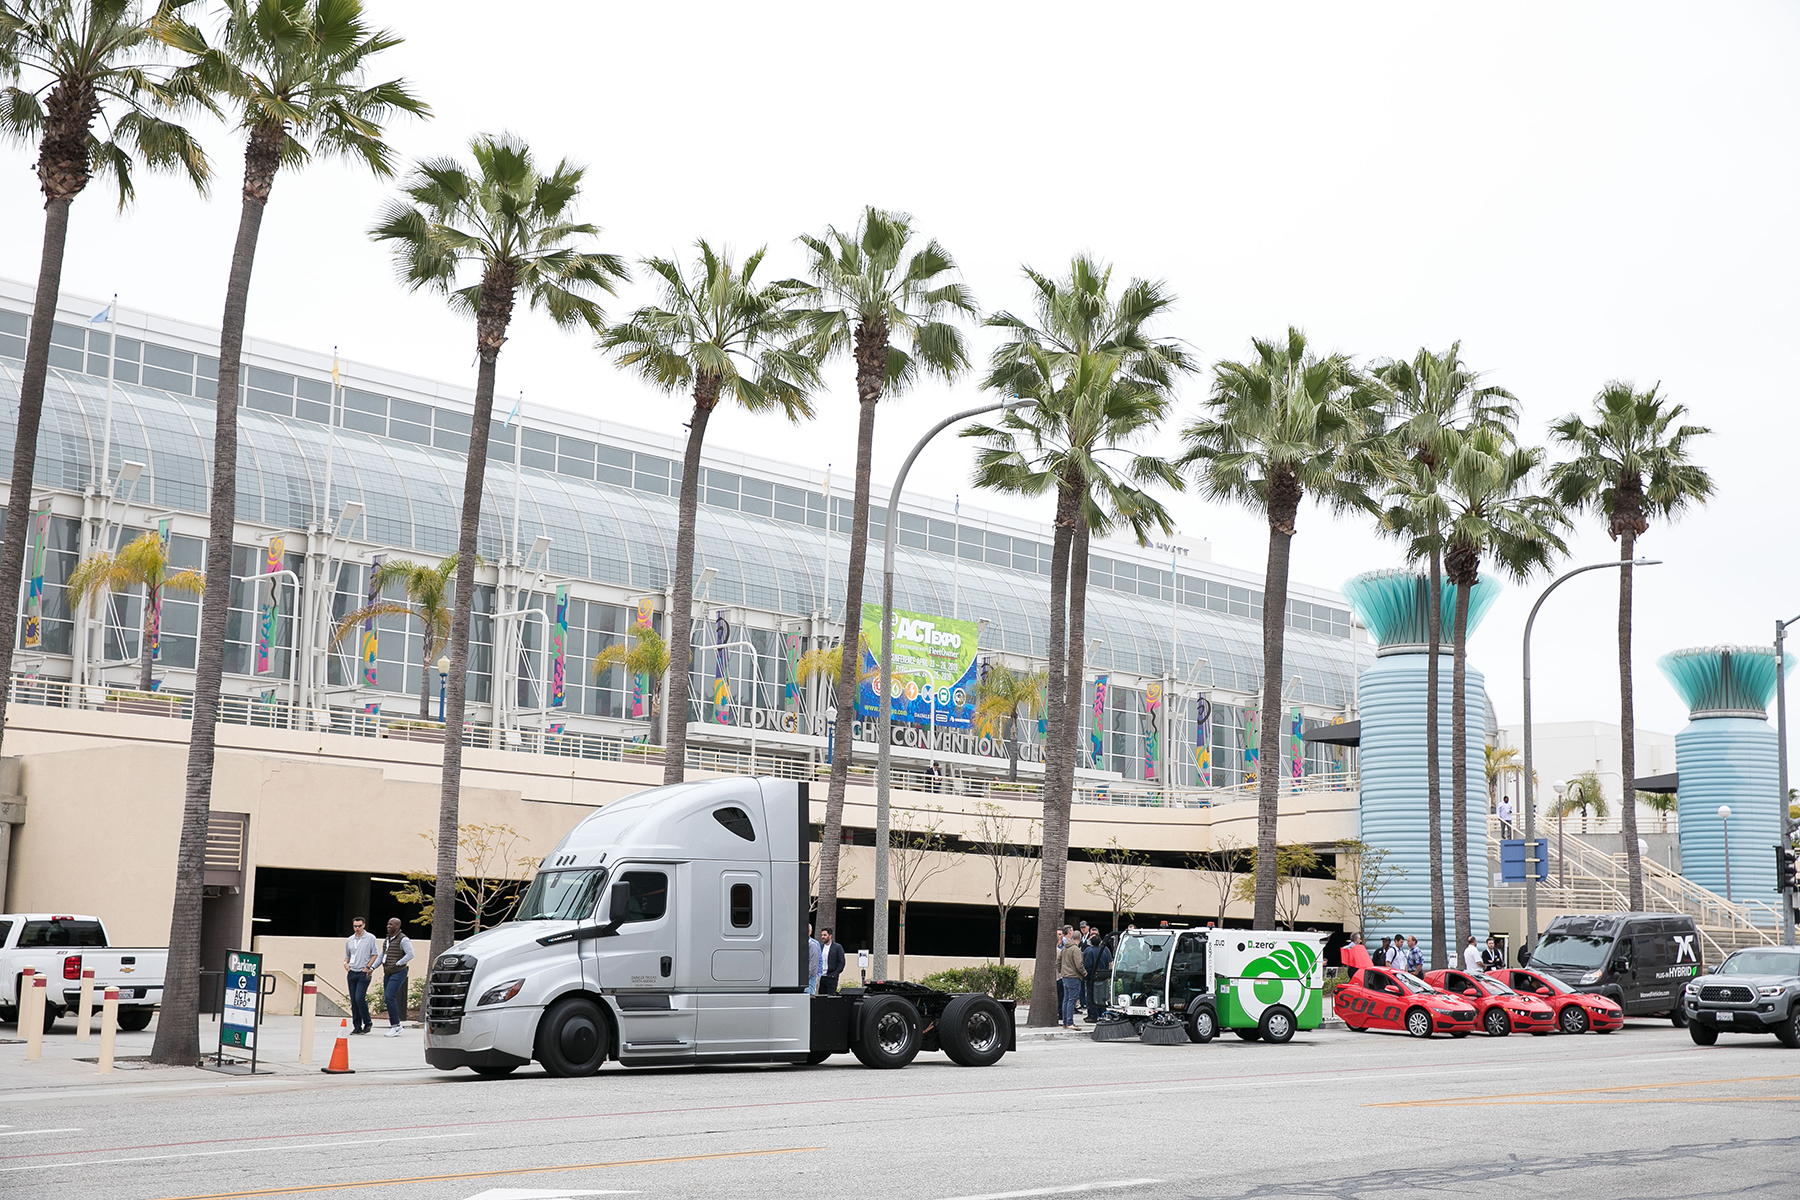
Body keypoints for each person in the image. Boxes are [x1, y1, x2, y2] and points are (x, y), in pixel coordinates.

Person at [378, 917, 415, 1037]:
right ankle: (396, 1026)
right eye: (388, 924)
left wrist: (398, 963)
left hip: (398, 972)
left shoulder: (403, 939)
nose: (388, 926)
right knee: (388, 998)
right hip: (388, 972)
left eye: (391, 924)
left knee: (389, 996)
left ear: (397, 926)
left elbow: (410, 954)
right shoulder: (387, 940)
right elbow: (382, 956)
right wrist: (371, 968)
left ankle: (396, 1026)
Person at [342, 917, 378, 1035]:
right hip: (352, 971)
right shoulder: (350, 940)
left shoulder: (370, 938)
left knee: (359, 998)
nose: (357, 929)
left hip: (363, 972)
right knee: (353, 1000)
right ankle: (357, 1026)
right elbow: (347, 955)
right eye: (355, 926)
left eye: (359, 926)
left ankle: (367, 1022)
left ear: (364, 926)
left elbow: (375, 954)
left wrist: (368, 967)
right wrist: (345, 964)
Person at [1056, 928, 1084, 1029]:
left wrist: (1061, 971)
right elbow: (1079, 964)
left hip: (1065, 977)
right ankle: (1069, 1022)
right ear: (1079, 939)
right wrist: (1084, 973)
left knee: (1066, 999)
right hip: (1073, 977)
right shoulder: (1076, 949)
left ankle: (1065, 1021)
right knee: (1072, 1000)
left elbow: (1058, 962)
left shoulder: (1064, 948)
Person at [1085, 932, 1112, 1021]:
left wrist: (1086, 977)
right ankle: (1102, 1013)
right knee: (1102, 996)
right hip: (1103, 976)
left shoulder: (1089, 951)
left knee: (1092, 997)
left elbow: (1088, 965)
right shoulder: (1105, 950)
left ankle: (1093, 1015)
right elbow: (1109, 963)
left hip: (1093, 978)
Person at [819, 927, 845, 995]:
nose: (822, 937)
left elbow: (841, 962)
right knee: (821, 997)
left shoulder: (837, 947)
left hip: (831, 977)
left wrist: (835, 974)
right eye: (822, 935)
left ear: (830, 936)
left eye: (825, 935)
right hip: (821, 977)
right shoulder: (820, 947)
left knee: (830, 997)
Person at [806, 925, 823, 995]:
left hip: (812, 977)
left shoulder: (813, 944)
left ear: (810, 932)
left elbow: (818, 960)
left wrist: (818, 974)